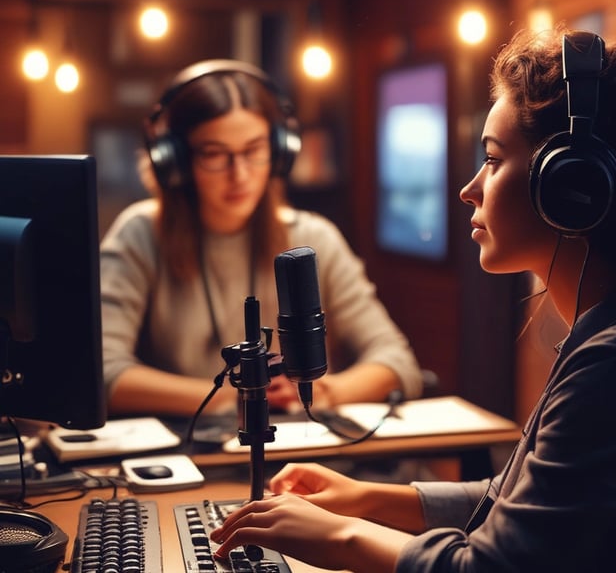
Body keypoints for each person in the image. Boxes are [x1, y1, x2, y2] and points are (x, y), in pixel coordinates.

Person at [208, 29, 616, 572]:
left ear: (570, 187)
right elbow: (520, 504)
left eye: (492, 160)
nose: (469, 188)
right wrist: (366, 499)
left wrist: (345, 536)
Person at [100, 59, 423, 418]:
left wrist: (327, 390)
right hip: (189, 461)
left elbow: (397, 362)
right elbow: (102, 372)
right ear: (174, 160)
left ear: (279, 151)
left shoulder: (313, 238)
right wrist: (235, 398)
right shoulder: (139, 235)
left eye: (253, 150)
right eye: (214, 154)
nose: (239, 174)